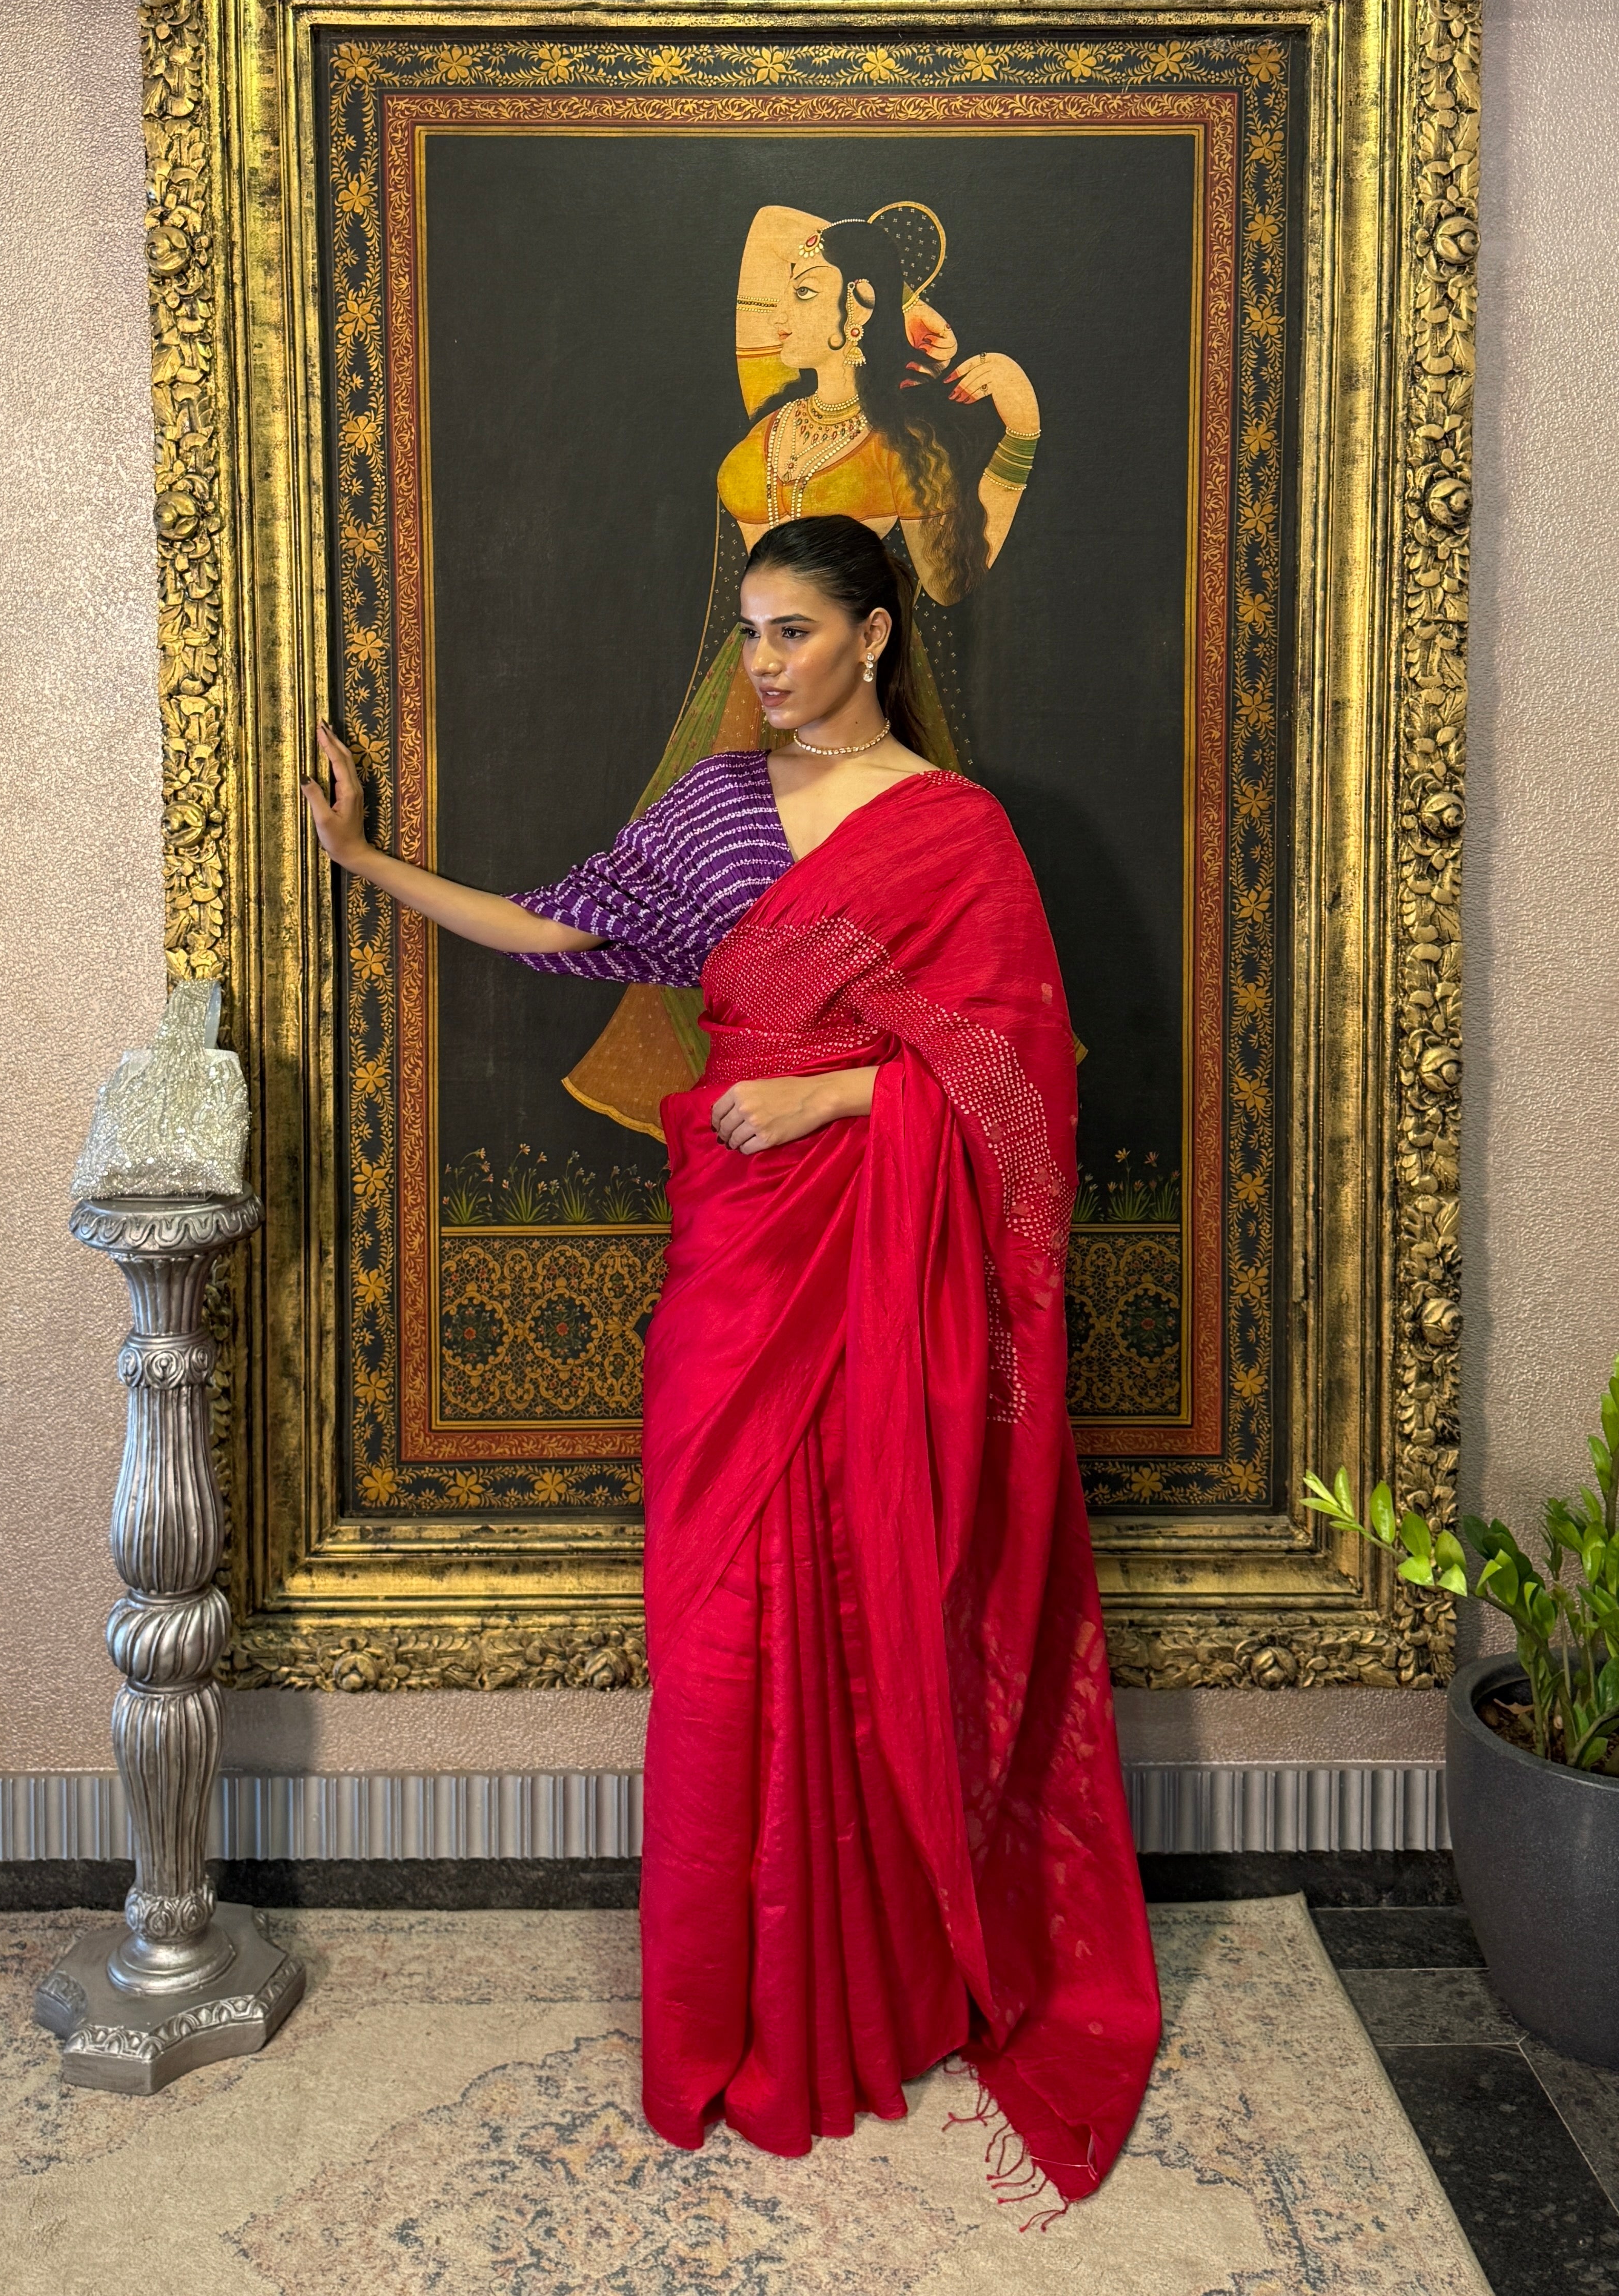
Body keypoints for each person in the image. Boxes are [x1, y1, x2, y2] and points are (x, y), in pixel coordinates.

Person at [303, 512, 1160, 2199]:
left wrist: (847, 1093)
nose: (759, 666)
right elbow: (561, 931)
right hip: (737, 1263)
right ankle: (737, 2003)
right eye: (751, 633)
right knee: (718, 1622)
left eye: (790, 634)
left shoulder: (958, 836)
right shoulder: (712, 809)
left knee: (870, 1594)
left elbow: (1019, 1088)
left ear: (875, 635)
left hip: (879, 1269)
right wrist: (362, 866)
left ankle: (886, 1988)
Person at [560, 204, 1047, 1139]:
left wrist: (1018, 434)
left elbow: (950, 579)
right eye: (783, 295)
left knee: (880, 946)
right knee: (737, 929)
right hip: (752, 716)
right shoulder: (760, 447)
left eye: (806, 293)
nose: (782, 317)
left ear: (859, 309)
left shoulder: (904, 446)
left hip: (859, 706)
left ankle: (855, 1103)